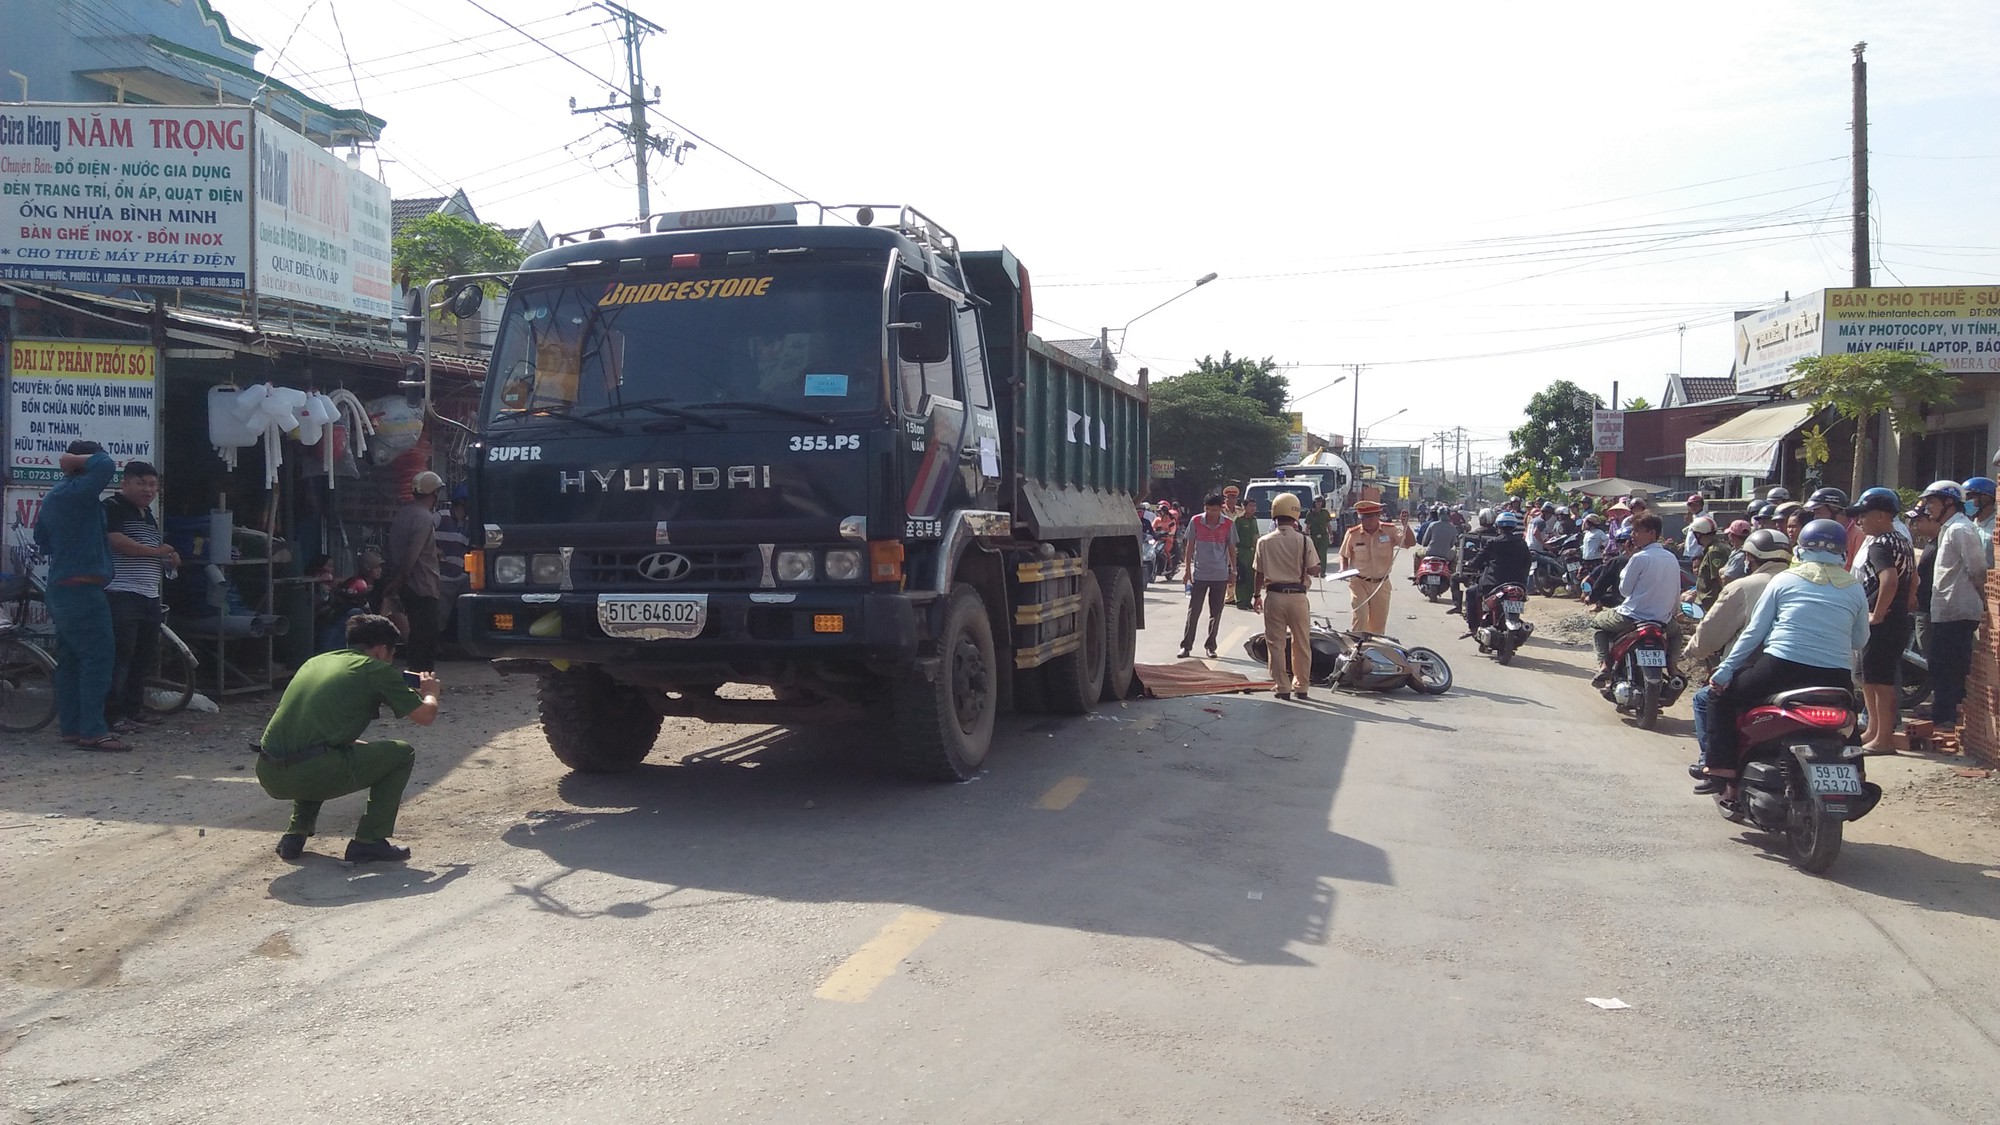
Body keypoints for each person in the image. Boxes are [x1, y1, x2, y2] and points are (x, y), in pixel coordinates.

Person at [1696, 519, 1869, 794]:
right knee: (1847, 716)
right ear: (1843, 552)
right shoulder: (1854, 587)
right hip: (1835, 675)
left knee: (1719, 697)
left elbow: (1754, 633)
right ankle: (1857, 774)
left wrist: (1726, 670)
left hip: (1781, 667)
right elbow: (1860, 640)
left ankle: (1720, 768)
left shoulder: (1784, 580)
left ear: (1800, 549)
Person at [257, 613, 442, 863]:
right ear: (380, 650)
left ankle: (295, 835)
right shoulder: (375, 670)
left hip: (269, 771)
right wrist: (430, 693)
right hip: (310, 772)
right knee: (401, 754)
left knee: (320, 751)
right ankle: (370, 840)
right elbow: (425, 716)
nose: (391, 660)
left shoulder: (316, 662)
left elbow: (315, 730)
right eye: (392, 654)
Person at [32, 441, 126, 752]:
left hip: (61, 588)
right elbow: (105, 464)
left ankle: (72, 728)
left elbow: (42, 540)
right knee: (98, 659)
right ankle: (94, 731)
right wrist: (75, 459)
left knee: (71, 661)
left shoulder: (55, 498)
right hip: (82, 591)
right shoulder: (77, 494)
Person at [1681, 528, 1793, 775]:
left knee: (1704, 699)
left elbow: (1712, 631)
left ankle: (1713, 764)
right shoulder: (1804, 584)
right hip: (1813, 672)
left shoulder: (1744, 586)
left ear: (1750, 558)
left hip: (1757, 668)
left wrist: (1693, 651)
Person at [101, 461, 180, 729]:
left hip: (148, 594)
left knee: (143, 656)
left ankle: (133, 710)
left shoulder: (147, 514)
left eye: (152, 484)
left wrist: (169, 558)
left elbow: (154, 548)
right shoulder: (112, 507)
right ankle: (112, 715)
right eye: (141, 483)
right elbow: (117, 542)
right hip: (122, 592)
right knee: (121, 656)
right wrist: (157, 552)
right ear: (125, 484)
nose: (148, 489)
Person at [1847, 488, 1915, 753]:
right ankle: (1873, 730)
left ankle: (1884, 738)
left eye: (1864, 514)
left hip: (1883, 621)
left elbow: (1889, 578)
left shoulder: (1880, 544)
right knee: (1869, 678)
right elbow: (1914, 578)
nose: (1859, 520)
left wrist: (1878, 612)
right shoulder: (1902, 540)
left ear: (1883, 515)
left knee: (1882, 681)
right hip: (1892, 618)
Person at [1922, 480, 1987, 733]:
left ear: (1949, 503)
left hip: (1958, 611)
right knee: (1940, 665)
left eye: (1933, 502)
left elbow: (1978, 569)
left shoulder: (1961, 529)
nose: (1929, 508)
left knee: (1951, 667)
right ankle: (1944, 715)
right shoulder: (1949, 528)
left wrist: (1984, 602)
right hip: (1946, 610)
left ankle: (1949, 718)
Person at [1589, 513, 1678, 687]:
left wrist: (1629, 563)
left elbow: (1624, 590)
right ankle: (1673, 668)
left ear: (1651, 533)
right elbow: (1676, 592)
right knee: (1676, 635)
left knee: (1598, 624)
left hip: (1632, 617)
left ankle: (1604, 665)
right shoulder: (1672, 558)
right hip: (1662, 619)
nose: (1632, 536)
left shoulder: (1639, 558)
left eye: (1637, 531)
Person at [1250, 493, 1320, 700]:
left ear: (1274, 515)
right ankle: (1302, 686)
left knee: (1276, 643)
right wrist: (1317, 568)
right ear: (1296, 514)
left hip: (1274, 596)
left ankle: (1282, 686)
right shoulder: (1304, 541)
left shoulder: (1264, 541)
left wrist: (1256, 596)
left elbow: (1259, 573)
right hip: (1298, 597)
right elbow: (1314, 569)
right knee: (1301, 642)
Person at [383, 470, 446, 672]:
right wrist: (399, 581)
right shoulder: (424, 517)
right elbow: (412, 555)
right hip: (422, 586)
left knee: (416, 640)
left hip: (407, 586)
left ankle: (416, 681)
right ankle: (421, 685)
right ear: (434, 493)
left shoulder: (404, 515)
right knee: (424, 641)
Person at [1339, 499, 1415, 634]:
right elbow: (1344, 555)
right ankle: (1356, 648)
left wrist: (1406, 525)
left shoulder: (1389, 530)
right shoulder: (1353, 533)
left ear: (1377, 516)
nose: (1365, 521)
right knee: (1360, 617)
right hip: (1359, 582)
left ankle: (1374, 651)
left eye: (1369, 517)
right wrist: (1343, 569)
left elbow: (1410, 543)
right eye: (1362, 517)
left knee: (1377, 625)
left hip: (1381, 584)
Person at [1177, 494, 1236, 659]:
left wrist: (1234, 571)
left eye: (1215, 510)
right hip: (1200, 574)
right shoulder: (1196, 521)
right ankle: (1186, 646)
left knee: (1215, 613)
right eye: (1208, 509)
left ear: (1221, 509)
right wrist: (1187, 571)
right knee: (1193, 611)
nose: (1211, 513)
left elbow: (1231, 547)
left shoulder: (1229, 524)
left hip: (1220, 574)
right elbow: (1189, 547)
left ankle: (1211, 646)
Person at [1463, 510, 1532, 636]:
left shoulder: (1493, 543)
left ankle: (1473, 627)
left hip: (1493, 582)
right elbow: (1528, 562)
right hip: (1518, 583)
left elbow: (1479, 559)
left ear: (1498, 526)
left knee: (1471, 593)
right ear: (1514, 526)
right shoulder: (1521, 543)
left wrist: (1470, 564)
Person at [1451, 508, 1498, 612]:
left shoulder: (1470, 535)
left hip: (1472, 571)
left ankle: (1457, 606)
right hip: (1493, 572)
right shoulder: (1499, 536)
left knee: (1454, 578)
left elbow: (1462, 550)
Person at [1687, 516, 1728, 609]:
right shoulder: (1721, 547)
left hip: (1710, 603)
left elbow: (1720, 578)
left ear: (1699, 534)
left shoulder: (1714, 551)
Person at [1228, 487, 1259, 610]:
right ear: (1244, 507)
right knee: (1242, 578)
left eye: (1254, 506)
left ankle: (1248, 600)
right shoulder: (1239, 521)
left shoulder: (1254, 520)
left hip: (1252, 552)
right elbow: (1233, 538)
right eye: (1251, 506)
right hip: (1241, 552)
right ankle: (1240, 601)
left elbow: (1256, 536)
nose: (1253, 508)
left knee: (1251, 578)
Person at [1413, 501, 1460, 582]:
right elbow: (1452, 544)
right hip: (1446, 555)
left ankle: (1415, 574)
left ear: (1439, 515)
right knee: (1455, 558)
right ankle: (1452, 576)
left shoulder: (1433, 525)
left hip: (1430, 552)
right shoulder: (1453, 528)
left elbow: (1424, 542)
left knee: (1416, 554)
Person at [1963, 475, 1996, 568]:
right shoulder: (1967, 526)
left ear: (1986, 498)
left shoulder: (1996, 527)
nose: (1966, 502)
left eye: (1969, 497)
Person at [1716, 519, 1754, 584]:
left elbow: (1726, 580)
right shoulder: (1735, 551)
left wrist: (1721, 571)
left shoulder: (1741, 556)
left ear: (1732, 536)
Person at [1305, 495, 1334, 569]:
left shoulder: (1325, 513)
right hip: (1313, 536)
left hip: (1323, 536)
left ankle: (1322, 571)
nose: (1318, 504)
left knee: (1322, 554)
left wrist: (1331, 535)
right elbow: (1307, 526)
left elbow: (1328, 525)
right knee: (1315, 554)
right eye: (1317, 502)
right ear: (1314, 503)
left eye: (1320, 502)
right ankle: (1316, 570)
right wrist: (1306, 537)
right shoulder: (1310, 514)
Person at [1680, 493, 1709, 567]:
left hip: (1697, 556)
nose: (1692, 507)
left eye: (1695, 504)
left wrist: (1699, 555)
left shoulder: (1705, 518)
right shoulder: (1694, 517)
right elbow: (1693, 535)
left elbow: (1705, 537)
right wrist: (1685, 543)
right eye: (1690, 505)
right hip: (1689, 553)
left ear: (1701, 505)